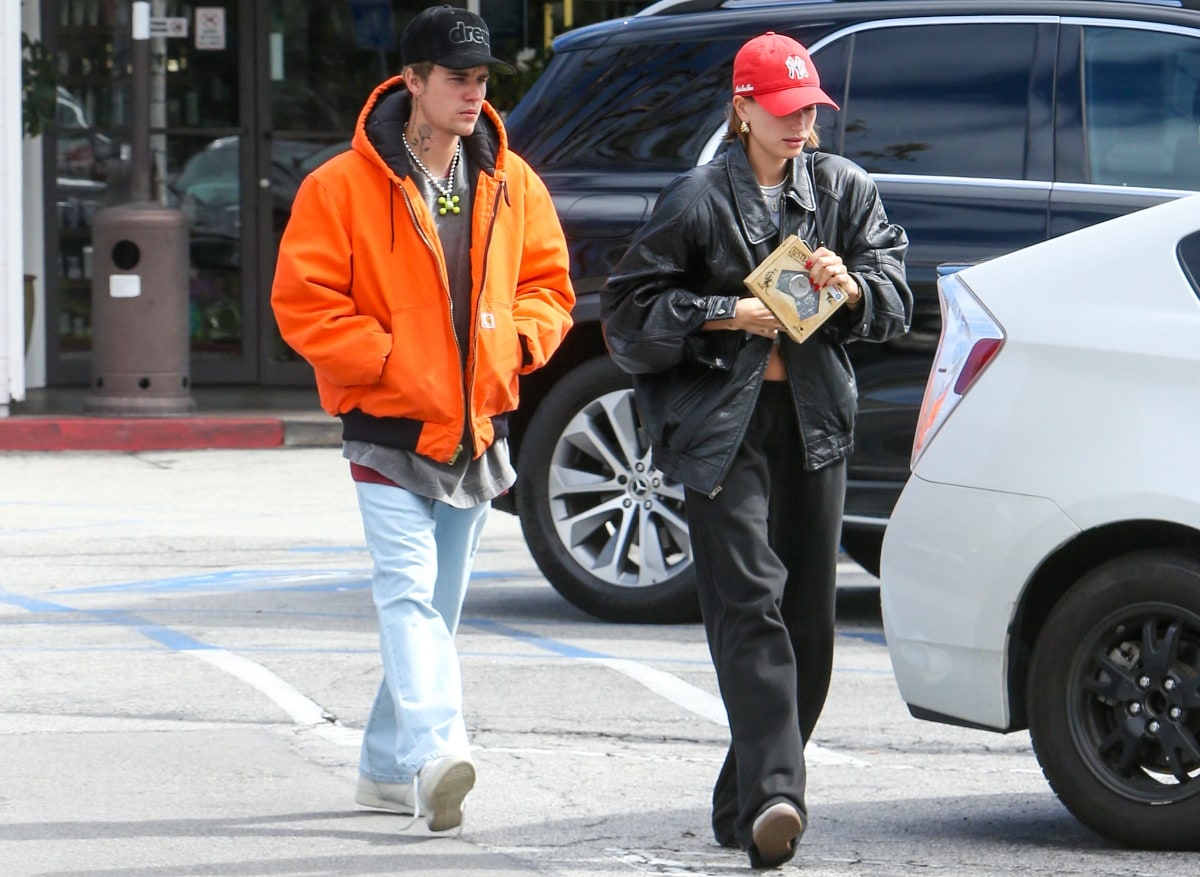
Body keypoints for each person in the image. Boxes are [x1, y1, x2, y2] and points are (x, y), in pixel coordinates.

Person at [600, 32, 911, 869]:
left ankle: (744, 795)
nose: (799, 123)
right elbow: (627, 315)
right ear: (741, 110)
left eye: (809, 108)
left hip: (814, 426)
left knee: (810, 625)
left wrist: (855, 290)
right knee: (750, 606)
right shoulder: (696, 197)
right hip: (721, 428)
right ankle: (779, 794)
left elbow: (895, 291)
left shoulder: (844, 188)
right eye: (782, 110)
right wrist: (721, 312)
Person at [271, 5, 574, 834]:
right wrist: (385, 363)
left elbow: (549, 287)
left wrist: (514, 345)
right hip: (387, 426)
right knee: (407, 597)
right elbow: (303, 303)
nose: (473, 94)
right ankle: (437, 749)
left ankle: (379, 767)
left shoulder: (512, 181)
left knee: (435, 610)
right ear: (411, 81)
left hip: (475, 430)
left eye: (481, 80)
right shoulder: (339, 185)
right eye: (456, 79)